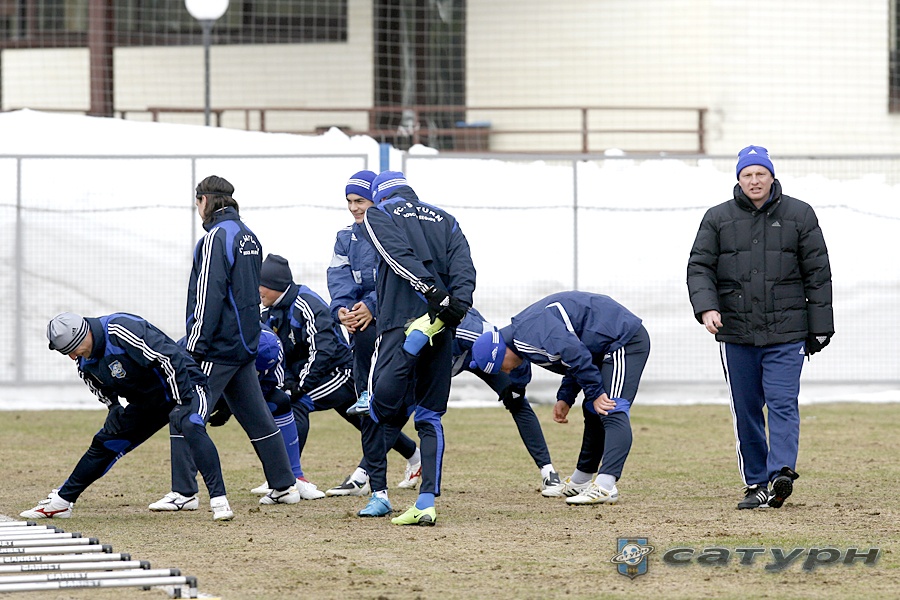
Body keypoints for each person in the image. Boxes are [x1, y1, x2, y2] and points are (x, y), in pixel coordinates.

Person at [687, 145, 834, 510]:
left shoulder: (800, 214)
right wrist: (707, 307)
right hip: (736, 332)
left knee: (783, 403)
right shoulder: (717, 218)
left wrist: (820, 328)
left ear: (772, 176)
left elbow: (818, 273)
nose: (754, 180)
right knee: (747, 409)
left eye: (760, 174)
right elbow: (699, 267)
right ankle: (756, 482)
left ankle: (781, 473)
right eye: (747, 175)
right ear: (739, 179)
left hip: (787, 332)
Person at [151, 175, 300, 511]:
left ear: (204, 200)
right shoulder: (249, 236)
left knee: (184, 413)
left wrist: (195, 344)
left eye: (197, 201)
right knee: (257, 417)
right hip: (244, 345)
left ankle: (184, 492)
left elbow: (209, 295)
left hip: (216, 347)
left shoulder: (214, 238)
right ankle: (284, 485)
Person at [22, 312, 233, 521]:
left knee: (190, 425)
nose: (72, 357)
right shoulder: (84, 362)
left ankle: (219, 500)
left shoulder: (120, 329)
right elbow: (98, 386)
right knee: (105, 442)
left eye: (72, 350)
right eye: (66, 353)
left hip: (186, 384)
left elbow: (169, 357)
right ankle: (62, 502)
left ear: (84, 335)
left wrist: (182, 402)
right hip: (150, 401)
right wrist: (113, 406)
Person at [355, 170, 475, 525]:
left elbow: (396, 256)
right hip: (440, 325)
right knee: (429, 415)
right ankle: (425, 502)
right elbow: (465, 269)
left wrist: (430, 292)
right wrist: (455, 307)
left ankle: (379, 495)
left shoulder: (378, 213)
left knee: (375, 409)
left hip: (397, 323)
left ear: (380, 196)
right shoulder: (446, 219)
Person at [257, 253, 422, 498]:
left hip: (339, 373)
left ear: (276, 285)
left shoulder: (306, 304)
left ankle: (289, 477)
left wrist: (300, 386)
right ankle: (416, 457)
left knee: (296, 405)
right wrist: (287, 381)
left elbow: (323, 351)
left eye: (261, 284)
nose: (257, 290)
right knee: (367, 422)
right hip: (316, 376)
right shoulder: (268, 312)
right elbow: (280, 353)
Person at [469, 291, 651, 507]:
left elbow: (575, 353)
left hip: (624, 340)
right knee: (593, 409)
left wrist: (595, 393)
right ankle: (581, 480)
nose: (506, 372)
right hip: (603, 346)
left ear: (500, 353)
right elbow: (574, 355)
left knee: (611, 408)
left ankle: (606, 485)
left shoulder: (528, 337)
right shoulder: (522, 335)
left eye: (501, 368)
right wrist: (566, 397)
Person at [452, 307, 563, 496]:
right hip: (444, 357)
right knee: (404, 408)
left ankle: (548, 472)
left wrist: (518, 388)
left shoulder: (473, 333)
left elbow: (515, 352)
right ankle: (413, 457)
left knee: (517, 403)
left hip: (481, 354)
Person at [327, 170, 380, 418]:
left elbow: (400, 281)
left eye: (360, 201)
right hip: (363, 318)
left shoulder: (394, 234)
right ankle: (366, 393)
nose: (353, 208)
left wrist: (372, 306)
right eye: (349, 201)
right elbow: (339, 279)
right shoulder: (345, 238)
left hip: (395, 317)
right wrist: (343, 311)